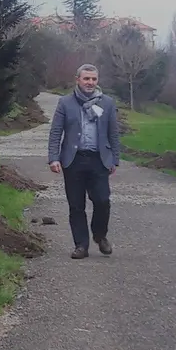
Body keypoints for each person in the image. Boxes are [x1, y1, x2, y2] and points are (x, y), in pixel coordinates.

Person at [47, 64, 121, 259]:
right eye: (86, 79)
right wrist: (53, 158)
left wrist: (115, 158)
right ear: (77, 79)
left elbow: (113, 133)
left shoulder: (107, 103)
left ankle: (100, 235)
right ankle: (81, 245)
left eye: (94, 79)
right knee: (76, 205)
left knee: (102, 200)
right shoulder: (65, 103)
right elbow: (56, 132)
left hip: (99, 160)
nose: (90, 82)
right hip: (73, 160)